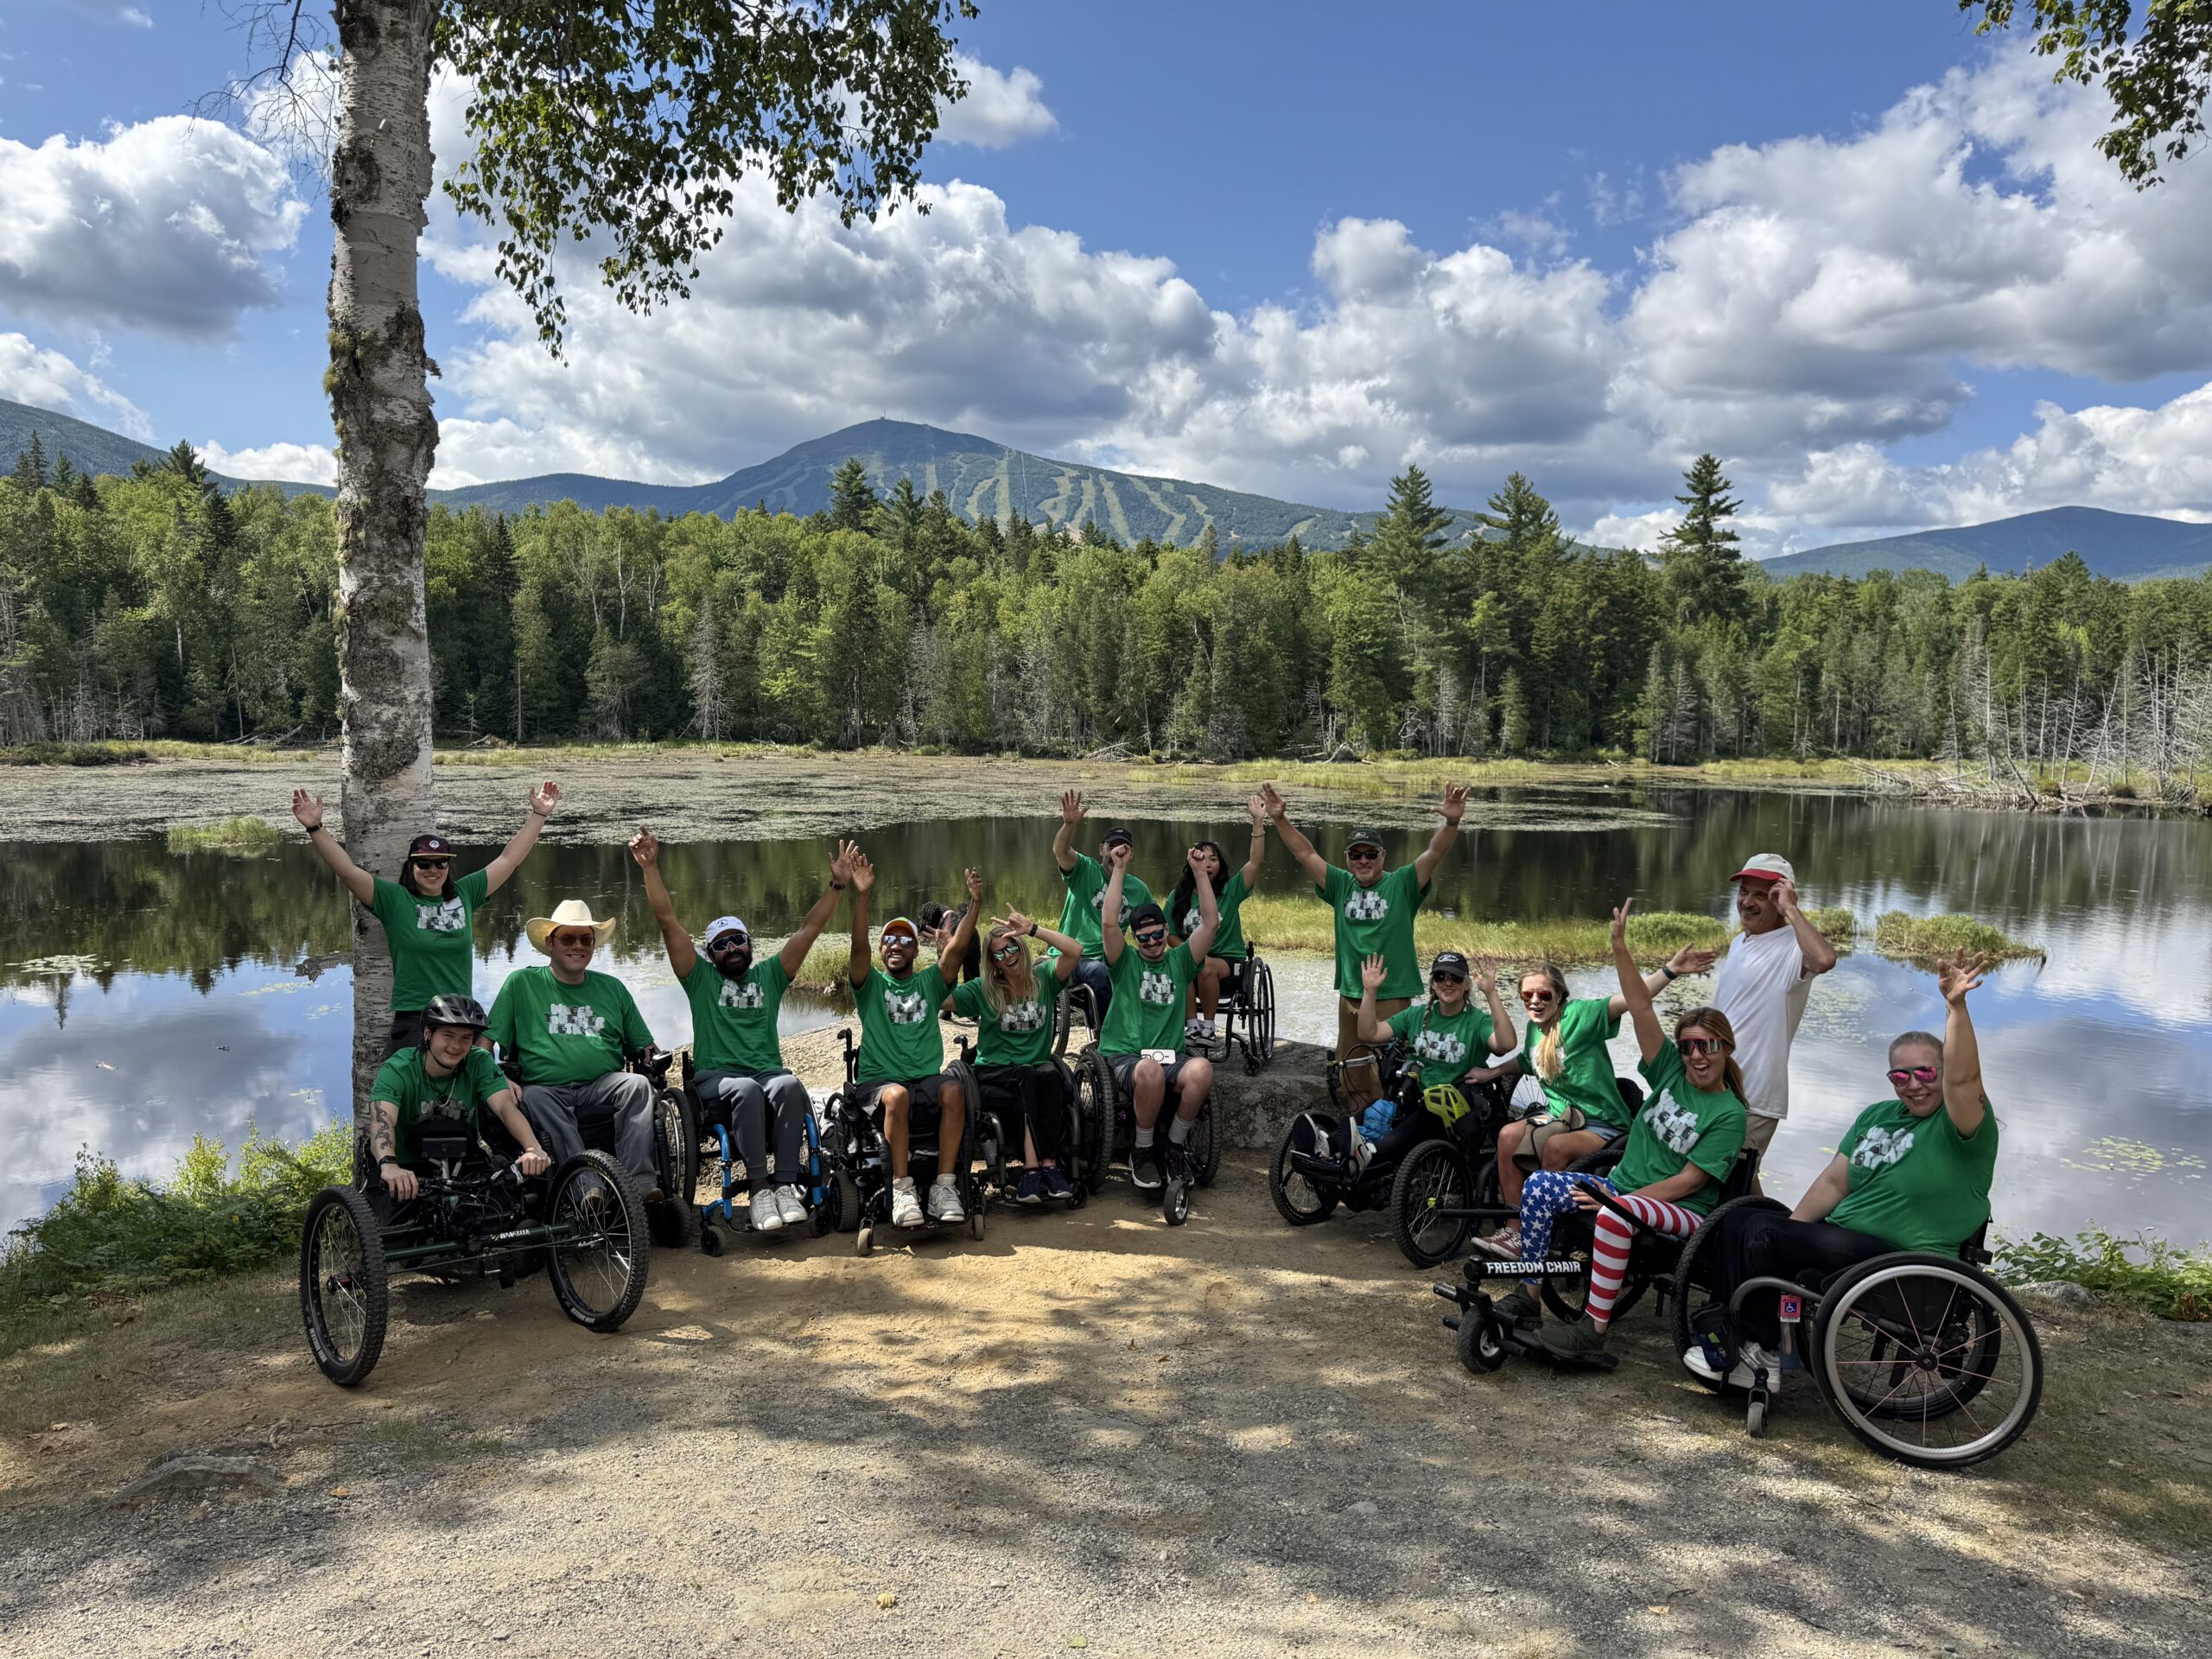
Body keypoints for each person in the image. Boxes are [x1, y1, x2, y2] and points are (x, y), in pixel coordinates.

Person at [1683, 952, 1998, 1393]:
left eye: (1926, 1072)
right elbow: (1834, 1182)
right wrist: (1789, 1237)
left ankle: (1760, 1355)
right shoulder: (1877, 1115)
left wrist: (1955, 1007)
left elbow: (1965, 1082)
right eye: (1900, 1076)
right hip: (1846, 1241)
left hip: (1901, 1258)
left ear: (1942, 1073)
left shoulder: (1961, 1124)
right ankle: (1734, 1337)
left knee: (1762, 1232)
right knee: (1741, 1219)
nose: (1913, 1084)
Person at [1493, 897, 1748, 1362]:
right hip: (1623, 1190)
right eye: (1689, 1046)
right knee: (1540, 1185)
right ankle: (1529, 1296)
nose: (1697, 1056)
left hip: (1683, 1210)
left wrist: (1618, 1201)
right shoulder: (1669, 1072)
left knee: (1613, 1217)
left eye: (1708, 1046)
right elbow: (1640, 1006)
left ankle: (1592, 1329)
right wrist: (1618, 947)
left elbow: (1690, 1182)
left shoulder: (1729, 1114)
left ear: (1725, 1048)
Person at [632, 826, 854, 1234]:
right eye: (721, 944)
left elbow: (808, 931)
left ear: (750, 944)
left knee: (788, 1084)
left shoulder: (771, 975)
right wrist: (650, 868)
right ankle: (759, 1191)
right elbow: (667, 921)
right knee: (746, 1089)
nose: (731, 948)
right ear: (710, 954)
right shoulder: (699, 979)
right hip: (717, 1080)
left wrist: (837, 885)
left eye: (738, 940)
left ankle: (784, 1186)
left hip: (768, 1073)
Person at [1469, 944, 1718, 1255]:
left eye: (1544, 994)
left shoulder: (1579, 1016)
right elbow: (1527, 1061)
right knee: (1507, 1135)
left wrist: (1670, 971)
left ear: (1559, 996)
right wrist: (1493, 1072)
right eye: (1527, 995)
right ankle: (1515, 1229)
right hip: (1560, 1117)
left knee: (1556, 1146)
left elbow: (1629, 1001)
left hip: (1602, 1123)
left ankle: (1548, 1235)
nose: (1534, 1001)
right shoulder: (1535, 1029)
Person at [291, 781, 561, 1055]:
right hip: (414, 1021)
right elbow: (347, 871)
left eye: (441, 862)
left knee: (476, 1082)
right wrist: (315, 828)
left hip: (461, 1018)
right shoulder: (394, 900)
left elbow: (508, 860)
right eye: (424, 863)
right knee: (401, 1083)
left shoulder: (466, 893)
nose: (433, 869)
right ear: (411, 866)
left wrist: (539, 814)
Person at [1258, 782, 1466, 1068]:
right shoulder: (1340, 884)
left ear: (1383, 856)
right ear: (1347, 858)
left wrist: (1451, 823)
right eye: (1356, 855)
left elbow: (1434, 854)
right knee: (1350, 1067)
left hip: (1392, 993)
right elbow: (1305, 854)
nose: (1363, 860)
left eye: (1371, 854)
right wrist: (1280, 819)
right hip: (1352, 993)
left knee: (1388, 1068)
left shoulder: (1403, 883)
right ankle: (1352, 1099)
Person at [486, 897, 660, 1197]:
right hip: (545, 1087)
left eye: (585, 940)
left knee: (638, 1086)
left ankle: (640, 1186)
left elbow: (645, 1046)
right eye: (568, 938)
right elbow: (482, 1047)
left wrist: (656, 1073)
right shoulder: (521, 983)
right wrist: (498, 1077)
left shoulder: (613, 988)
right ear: (550, 943)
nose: (578, 946)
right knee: (535, 1097)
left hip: (602, 1083)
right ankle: (586, 1188)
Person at [848, 852, 981, 1228]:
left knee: (954, 1089)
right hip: (879, 1084)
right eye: (889, 940)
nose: (895, 945)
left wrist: (975, 904)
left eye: (904, 940)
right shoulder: (870, 985)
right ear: (881, 949)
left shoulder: (929, 983)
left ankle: (944, 1187)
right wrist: (862, 896)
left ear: (915, 949)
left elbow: (956, 951)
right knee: (897, 1096)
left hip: (925, 1079)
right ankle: (902, 1189)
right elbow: (858, 948)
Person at [1098, 844, 1217, 1193]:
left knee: (1202, 1070)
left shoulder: (1180, 961)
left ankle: (1174, 1144)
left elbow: (1210, 923)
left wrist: (1199, 873)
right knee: (1149, 1071)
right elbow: (1108, 922)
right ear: (1135, 938)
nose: (1151, 942)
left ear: (1166, 931)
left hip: (1170, 1057)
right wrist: (1119, 869)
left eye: (1157, 934)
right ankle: (1143, 1150)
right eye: (1143, 937)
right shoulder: (1125, 962)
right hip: (1126, 1056)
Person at [948, 908, 1084, 1204]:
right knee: (1028, 1075)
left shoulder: (1044, 978)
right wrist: (947, 955)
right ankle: (1032, 1169)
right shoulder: (985, 989)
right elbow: (941, 999)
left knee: (1050, 1075)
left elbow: (1075, 950)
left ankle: (1049, 1166)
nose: (1008, 956)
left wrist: (1033, 928)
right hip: (993, 1072)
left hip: (1035, 1069)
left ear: (1020, 946)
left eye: (1011, 947)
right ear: (993, 963)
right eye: (999, 953)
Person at [365, 993, 551, 1204]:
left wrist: (533, 1148)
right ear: (427, 1033)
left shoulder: (479, 1062)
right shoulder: (398, 1069)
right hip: (405, 1166)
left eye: (466, 1038)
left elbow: (506, 1109)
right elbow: (383, 1119)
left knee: (504, 1208)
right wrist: (389, 1165)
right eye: (448, 1035)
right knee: (390, 1218)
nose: (456, 1045)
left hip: (462, 1164)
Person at [1713, 853, 1838, 1157]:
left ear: (1782, 899)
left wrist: (1791, 910)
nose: (1747, 902)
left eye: (1761, 896)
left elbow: (1824, 960)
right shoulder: (1739, 943)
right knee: (1735, 1181)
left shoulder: (1794, 947)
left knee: (1728, 1178)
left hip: (1753, 1097)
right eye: (1744, 891)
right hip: (1716, 1087)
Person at [1351, 948, 1516, 1165]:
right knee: (1357, 1122)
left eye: (1456, 977)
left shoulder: (1476, 1021)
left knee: (1387, 1146)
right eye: (1440, 976)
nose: (1448, 983)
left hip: (1451, 1109)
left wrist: (1491, 993)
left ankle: (1365, 1159)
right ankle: (1326, 1145)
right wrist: (1369, 991)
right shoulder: (1416, 1015)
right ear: (1433, 985)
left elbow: (1506, 1044)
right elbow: (1369, 1033)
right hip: (1414, 1097)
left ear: (1466, 985)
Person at [1166, 795, 1267, 1046]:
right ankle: (1192, 1026)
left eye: (1214, 859)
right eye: (1203, 858)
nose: (1208, 864)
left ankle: (1209, 1028)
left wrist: (1257, 822)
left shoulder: (1231, 890)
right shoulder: (1178, 896)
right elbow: (1170, 933)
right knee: (1183, 965)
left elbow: (1255, 862)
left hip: (1227, 962)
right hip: (1192, 958)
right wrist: (1187, 951)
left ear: (1220, 864)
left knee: (1205, 966)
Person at [1049, 791, 1154, 1033]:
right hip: (1073, 957)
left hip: (1112, 960)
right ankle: (1106, 1035)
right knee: (1098, 971)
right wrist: (1069, 825)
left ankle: (1148, 1031)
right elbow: (1061, 851)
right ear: (1101, 850)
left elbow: (1150, 927)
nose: (1117, 852)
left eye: (1123, 848)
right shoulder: (1084, 870)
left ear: (1131, 854)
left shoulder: (1139, 889)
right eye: (1111, 847)